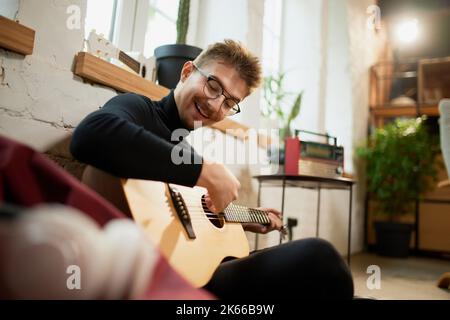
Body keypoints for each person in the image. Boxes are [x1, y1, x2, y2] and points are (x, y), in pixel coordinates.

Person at [70, 39, 354, 299]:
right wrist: (204, 171)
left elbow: (184, 212)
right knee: (320, 259)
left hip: (199, 268)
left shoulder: (187, 153)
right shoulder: (139, 109)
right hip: (172, 275)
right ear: (186, 72)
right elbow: (89, 136)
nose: (216, 104)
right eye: (213, 86)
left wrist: (244, 217)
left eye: (230, 102)